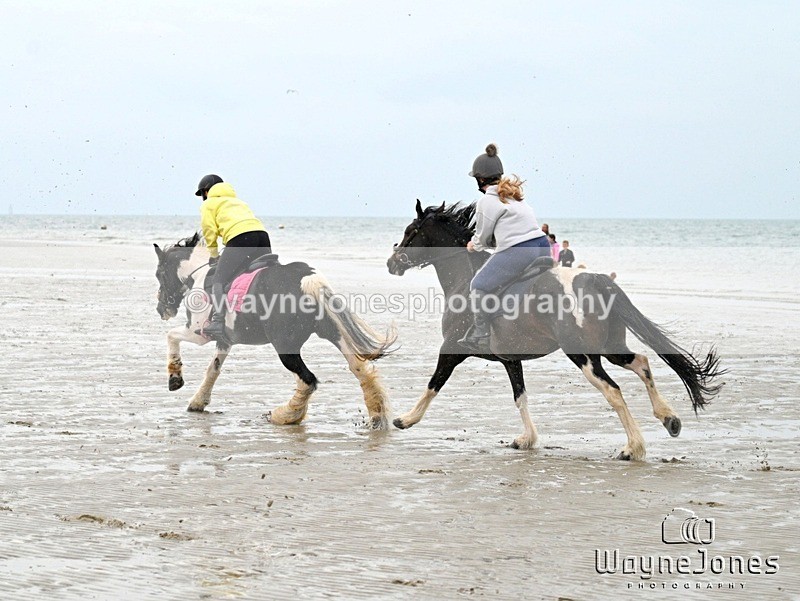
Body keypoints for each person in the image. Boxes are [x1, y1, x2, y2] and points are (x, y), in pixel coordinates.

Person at [458, 144, 550, 352]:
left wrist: (473, 246)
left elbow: (482, 238)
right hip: (542, 246)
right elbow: (502, 237)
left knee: (478, 285)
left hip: (520, 251)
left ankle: (481, 335)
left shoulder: (487, 201)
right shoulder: (513, 196)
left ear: (480, 179)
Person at [194, 174, 271, 341]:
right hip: (262, 237)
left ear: (206, 190)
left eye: (203, 194)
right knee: (260, 275)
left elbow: (209, 231)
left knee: (219, 280)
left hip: (240, 238)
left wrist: (214, 255)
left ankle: (217, 323)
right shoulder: (239, 202)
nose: (203, 198)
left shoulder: (209, 204)